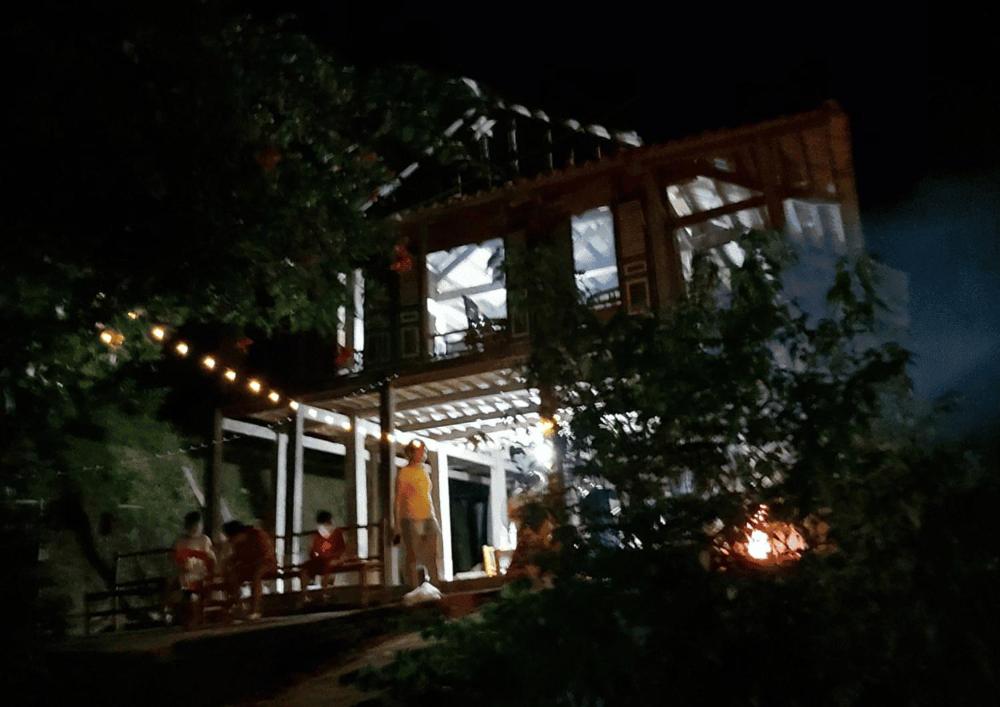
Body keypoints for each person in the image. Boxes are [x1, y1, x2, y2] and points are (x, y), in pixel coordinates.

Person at [394, 440, 440, 587]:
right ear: (411, 453)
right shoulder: (405, 473)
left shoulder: (423, 471)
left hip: (428, 515)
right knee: (413, 555)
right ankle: (413, 586)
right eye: (420, 451)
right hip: (411, 517)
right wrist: (397, 525)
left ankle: (435, 585)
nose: (423, 454)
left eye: (424, 451)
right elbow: (398, 499)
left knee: (431, 554)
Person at [220, 520, 276, 620]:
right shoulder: (238, 544)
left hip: (266, 564)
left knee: (256, 575)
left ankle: (255, 609)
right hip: (250, 566)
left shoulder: (258, 535)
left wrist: (250, 563)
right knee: (233, 575)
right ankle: (238, 604)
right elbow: (238, 556)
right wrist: (228, 562)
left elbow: (266, 554)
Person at [172, 511, 216, 627]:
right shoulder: (180, 542)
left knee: (200, 588)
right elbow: (176, 559)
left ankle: (198, 616)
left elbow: (210, 558)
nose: (195, 528)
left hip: (202, 573)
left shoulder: (204, 540)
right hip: (187, 574)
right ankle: (190, 617)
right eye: (192, 526)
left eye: (197, 525)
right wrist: (183, 564)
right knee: (186, 589)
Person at [300, 510, 347, 596]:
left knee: (328, 565)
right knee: (305, 568)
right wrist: (316, 554)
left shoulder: (337, 534)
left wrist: (332, 556)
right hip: (320, 560)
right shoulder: (318, 536)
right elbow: (314, 551)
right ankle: (304, 594)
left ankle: (325, 591)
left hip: (334, 559)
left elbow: (341, 550)